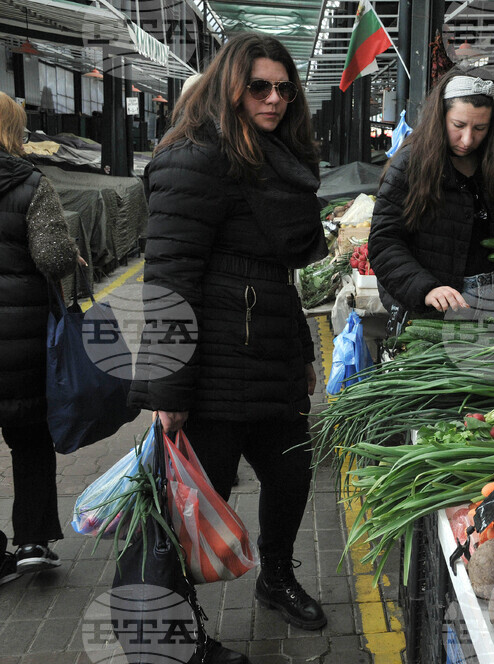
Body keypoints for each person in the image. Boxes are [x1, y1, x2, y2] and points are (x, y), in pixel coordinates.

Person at [129, 32, 329, 643]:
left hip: (271, 354)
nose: (274, 100)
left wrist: (302, 352)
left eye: (284, 90)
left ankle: (276, 576)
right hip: (212, 368)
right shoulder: (194, 157)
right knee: (194, 501)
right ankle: (177, 632)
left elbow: (279, 276)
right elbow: (168, 281)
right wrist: (168, 391)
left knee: (291, 476)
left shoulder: (271, 155)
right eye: (259, 87)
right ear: (229, 87)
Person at [368, 69, 494, 317]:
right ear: (440, 117)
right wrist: (426, 289)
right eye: (458, 125)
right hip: (431, 313)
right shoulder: (410, 164)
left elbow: (491, 235)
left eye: (480, 128)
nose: (467, 139)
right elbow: (383, 243)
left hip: (491, 307)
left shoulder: (493, 165)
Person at [0, 91, 80, 583]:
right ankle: (31, 541)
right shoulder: (31, 183)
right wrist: (72, 252)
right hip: (22, 342)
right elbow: (53, 258)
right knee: (29, 440)